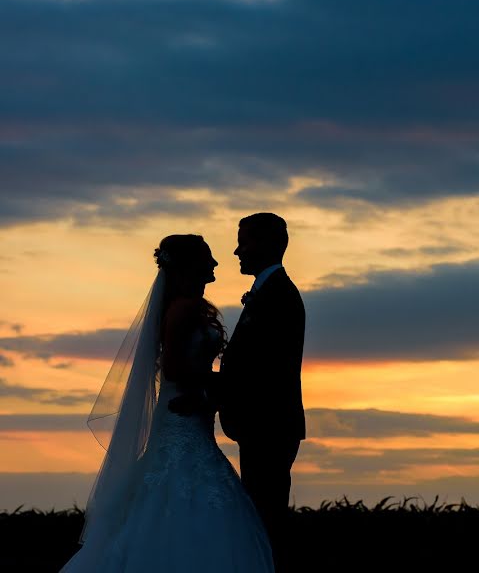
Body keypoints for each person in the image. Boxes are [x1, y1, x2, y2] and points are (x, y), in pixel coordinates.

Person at [61, 234, 274, 573]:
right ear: (192, 265)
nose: (216, 263)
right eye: (208, 257)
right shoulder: (184, 309)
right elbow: (175, 368)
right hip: (182, 415)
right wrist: (216, 385)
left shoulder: (189, 306)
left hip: (191, 412)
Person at [215, 212, 306, 570]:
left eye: (245, 241)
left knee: (266, 520)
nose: (237, 251)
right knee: (262, 516)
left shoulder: (279, 296)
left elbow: (262, 371)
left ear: (268, 244)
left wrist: (208, 389)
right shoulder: (268, 292)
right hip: (264, 426)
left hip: (269, 426)